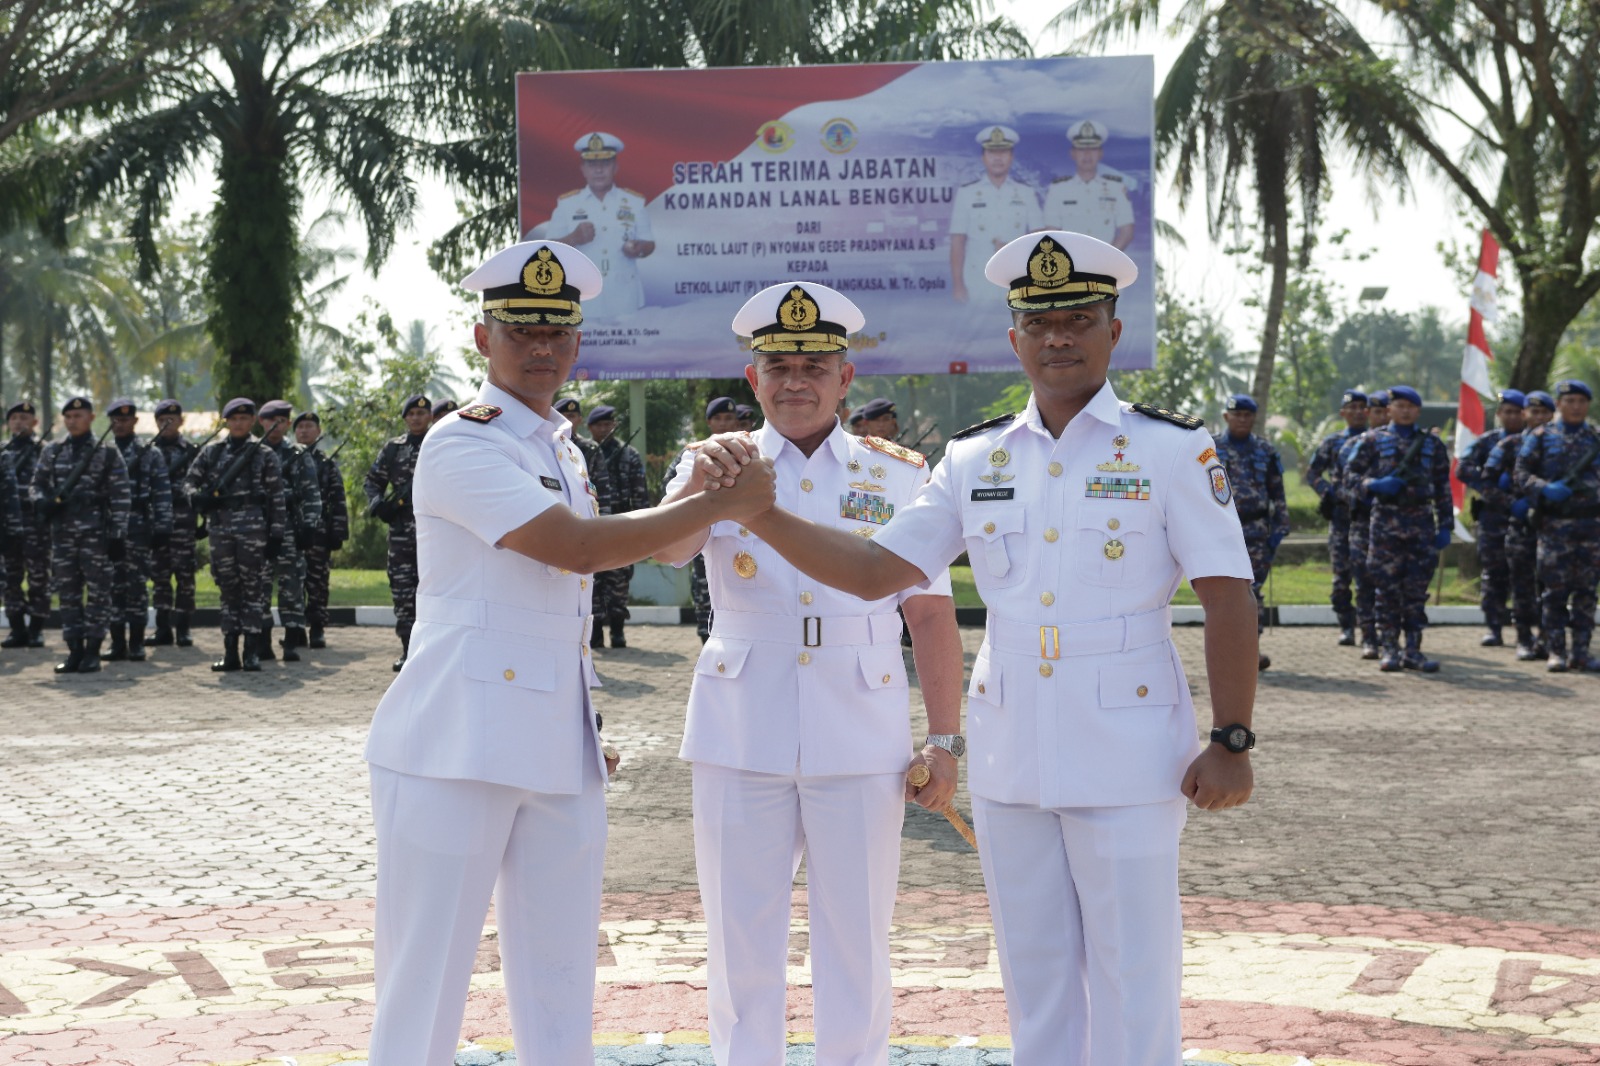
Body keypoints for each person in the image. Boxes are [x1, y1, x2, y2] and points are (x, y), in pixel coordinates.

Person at [702, 231, 1257, 1066]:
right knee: (1033, 979)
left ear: (1114, 331)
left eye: (1078, 318)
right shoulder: (974, 457)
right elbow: (874, 569)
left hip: (1131, 745)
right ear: (1015, 340)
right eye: (1040, 323)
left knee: (1133, 974)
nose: (1058, 337)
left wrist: (1233, 736)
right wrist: (764, 513)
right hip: (1012, 749)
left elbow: (1229, 595)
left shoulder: (1171, 449)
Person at [362, 239, 774, 1066]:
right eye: (521, 331)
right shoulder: (460, 442)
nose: (541, 348)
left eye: (557, 333)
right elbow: (574, 550)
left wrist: (703, 497)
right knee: (425, 988)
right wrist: (720, 498)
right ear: (484, 340)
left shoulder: (563, 448)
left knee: (559, 984)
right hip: (455, 746)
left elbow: (601, 584)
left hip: (556, 746)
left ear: (578, 345)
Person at [654, 282, 963, 1066]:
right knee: (740, 942)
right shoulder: (712, 463)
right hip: (741, 722)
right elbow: (663, 553)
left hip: (860, 723)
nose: (797, 380)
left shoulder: (899, 473)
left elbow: (928, 614)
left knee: (856, 939)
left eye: (814, 365)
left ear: (845, 379)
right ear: (752, 379)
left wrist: (948, 739)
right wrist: (700, 489)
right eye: (779, 365)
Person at [1343, 385, 1452, 672]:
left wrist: (1445, 525)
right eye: (1399, 406)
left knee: (1416, 593)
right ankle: (1389, 649)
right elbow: (1349, 477)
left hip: (1421, 524)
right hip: (1385, 524)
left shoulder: (1432, 445)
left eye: (1411, 407)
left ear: (1418, 411)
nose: (1405, 411)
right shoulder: (1371, 440)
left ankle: (1413, 651)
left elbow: (1443, 487)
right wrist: (1372, 485)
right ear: (1389, 410)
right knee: (1387, 590)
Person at [186, 397, 286, 673]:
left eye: (244, 419)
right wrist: (200, 499)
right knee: (228, 590)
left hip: (253, 529)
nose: (239, 423)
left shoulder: (264, 454)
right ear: (227, 422)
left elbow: (277, 498)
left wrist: (276, 535)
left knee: (253, 590)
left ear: (252, 421)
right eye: (234, 419)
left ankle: (251, 652)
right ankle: (231, 652)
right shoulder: (212, 453)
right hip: (221, 528)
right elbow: (189, 483)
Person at [33, 396, 131, 673]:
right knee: (68, 594)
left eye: (79, 415)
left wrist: (117, 535)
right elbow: (36, 485)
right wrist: (43, 501)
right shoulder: (52, 451)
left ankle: (93, 650)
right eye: (69, 416)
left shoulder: (107, 452)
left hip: (95, 535)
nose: (73, 421)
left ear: (90, 418)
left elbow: (121, 495)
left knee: (99, 594)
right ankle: (74, 649)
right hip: (62, 534)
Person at [1512, 379, 1600, 672]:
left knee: (1587, 593)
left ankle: (1582, 653)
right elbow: (1521, 473)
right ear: (1559, 405)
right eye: (1569, 401)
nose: (1576, 407)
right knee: (1554, 593)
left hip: (1591, 526)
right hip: (1554, 527)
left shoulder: (1596, 438)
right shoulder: (1540, 436)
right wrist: (1544, 488)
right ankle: (1556, 651)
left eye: (1581, 402)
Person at [1212, 394, 1289, 670]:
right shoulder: (1209, 448)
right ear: (1226, 417)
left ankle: (1249, 652)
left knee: (1251, 592)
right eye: (1237, 414)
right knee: (1221, 590)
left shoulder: (1266, 452)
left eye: (1247, 415)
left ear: (1254, 418)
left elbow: (1277, 491)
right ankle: (1225, 651)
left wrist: (1280, 526)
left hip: (1256, 531)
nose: (1242, 419)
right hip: (1221, 529)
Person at [545, 131, 655, 319]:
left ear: (615, 166)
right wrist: (574, 238)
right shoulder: (568, 204)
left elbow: (649, 244)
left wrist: (639, 248)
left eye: (605, 163)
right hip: (583, 300)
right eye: (592, 164)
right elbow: (547, 251)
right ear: (583, 168)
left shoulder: (633, 202)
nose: (598, 170)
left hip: (625, 299)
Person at [660, 396, 740, 642]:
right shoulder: (693, 453)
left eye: (728, 418)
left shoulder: (750, 451)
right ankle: (706, 633)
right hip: (698, 533)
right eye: (718, 418)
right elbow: (671, 489)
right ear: (709, 422)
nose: (724, 423)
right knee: (703, 585)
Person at [1455, 389, 1526, 647]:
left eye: (1517, 411)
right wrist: (1491, 485)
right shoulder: (1487, 442)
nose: (1513, 416)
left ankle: (1525, 629)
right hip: (1493, 518)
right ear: (1499, 414)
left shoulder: (1535, 440)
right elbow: (1463, 469)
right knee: (1494, 574)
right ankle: (1494, 628)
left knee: (1525, 575)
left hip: (1527, 518)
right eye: (1507, 411)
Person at [1486, 390, 1554, 659]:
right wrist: (1508, 502)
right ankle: (1524, 639)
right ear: (1524, 414)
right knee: (1522, 586)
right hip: (1520, 527)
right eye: (1533, 412)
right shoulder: (1509, 445)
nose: (1538, 417)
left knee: (1552, 588)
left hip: (1555, 527)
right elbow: (1485, 481)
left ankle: (1548, 639)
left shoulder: (1562, 445)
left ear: (1551, 415)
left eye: (1544, 413)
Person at [365, 395, 430, 671]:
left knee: (434, 591)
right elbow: (373, 481)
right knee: (403, 591)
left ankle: (430, 651)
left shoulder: (438, 443)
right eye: (411, 413)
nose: (416, 417)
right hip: (402, 533)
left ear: (430, 416)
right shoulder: (393, 449)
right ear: (405, 418)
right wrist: (379, 504)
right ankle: (407, 649)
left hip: (434, 534)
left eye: (421, 413)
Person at [105, 398, 172, 661]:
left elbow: (162, 492)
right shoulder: (103, 452)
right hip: (108, 528)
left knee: (135, 586)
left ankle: (136, 642)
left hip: (138, 527)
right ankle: (116, 642)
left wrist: (163, 527)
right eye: (116, 420)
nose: (120, 424)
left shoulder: (149, 452)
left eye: (125, 419)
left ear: (134, 421)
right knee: (111, 586)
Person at [257, 400, 322, 661]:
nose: (276, 425)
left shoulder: (298, 453)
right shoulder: (253, 453)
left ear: (286, 424)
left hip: (289, 530)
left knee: (291, 587)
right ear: (261, 422)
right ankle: (261, 641)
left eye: (282, 421)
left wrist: (309, 526)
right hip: (257, 531)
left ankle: (292, 642)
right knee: (259, 587)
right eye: (271, 420)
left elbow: (311, 493)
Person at [948, 124, 1043, 303]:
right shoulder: (966, 193)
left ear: (1011, 157)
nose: (998, 158)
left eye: (1004, 152)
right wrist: (958, 285)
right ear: (983, 157)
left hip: (1018, 280)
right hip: (976, 281)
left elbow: (1039, 241)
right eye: (992, 152)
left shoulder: (1026, 193)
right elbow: (957, 242)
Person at [1306, 389, 1368, 644]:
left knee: (1369, 577)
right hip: (1341, 518)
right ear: (1343, 413)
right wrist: (1327, 491)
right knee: (1342, 576)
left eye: (1361, 408)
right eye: (1351, 408)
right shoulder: (1332, 442)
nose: (1356, 412)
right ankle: (1346, 625)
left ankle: (1369, 628)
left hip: (1369, 518)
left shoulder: (1377, 439)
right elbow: (1312, 473)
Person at [587, 403, 651, 648]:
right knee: (593, 581)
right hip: (592, 525)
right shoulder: (584, 453)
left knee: (619, 580)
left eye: (608, 424)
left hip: (623, 524)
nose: (605, 429)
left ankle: (617, 630)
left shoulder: (629, 454)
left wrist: (643, 528)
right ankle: (595, 634)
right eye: (600, 425)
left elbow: (640, 495)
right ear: (590, 427)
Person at [1339, 389, 1390, 658]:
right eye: (1377, 411)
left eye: (1386, 411)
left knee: (1392, 585)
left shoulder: (1405, 444)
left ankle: (1390, 637)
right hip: (1361, 523)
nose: (1382, 416)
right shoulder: (1353, 446)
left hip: (1396, 525)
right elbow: (1344, 484)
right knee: (1364, 582)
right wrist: (1368, 492)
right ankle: (1369, 636)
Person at [146, 399, 201, 647]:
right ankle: (162, 628)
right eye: (162, 420)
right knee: (159, 576)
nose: (167, 423)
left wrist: (203, 521)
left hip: (183, 521)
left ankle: (184, 628)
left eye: (172, 419)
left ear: (181, 421)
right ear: (156, 422)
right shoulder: (146, 452)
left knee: (185, 576)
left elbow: (202, 485)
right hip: (156, 522)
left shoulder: (191, 451)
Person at [293, 411, 348, 649]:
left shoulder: (326, 464)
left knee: (317, 582)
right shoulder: (287, 459)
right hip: (292, 532)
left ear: (318, 432)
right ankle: (294, 629)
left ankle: (317, 628)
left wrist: (338, 531)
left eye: (309, 426)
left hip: (319, 533)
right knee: (293, 582)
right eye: (300, 427)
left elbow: (338, 499)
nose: (304, 431)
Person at [1042, 120, 1135, 249]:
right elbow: (1051, 233)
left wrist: (1108, 259)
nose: (1087, 155)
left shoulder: (1116, 188)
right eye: (1081, 149)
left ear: (1100, 153)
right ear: (1072, 153)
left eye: (1093, 149)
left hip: (1106, 266)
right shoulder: (1057, 190)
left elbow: (1127, 232)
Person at [3, 400, 50, 649]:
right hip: (8, 525)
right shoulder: (2, 451)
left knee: (38, 576)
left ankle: (36, 629)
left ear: (35, 422)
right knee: (10, 577)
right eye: (14, 418)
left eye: (24, 417)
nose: (19, 422)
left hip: (35, 523)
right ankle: (17, 628)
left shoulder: (45, 450)